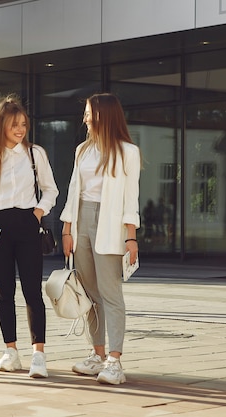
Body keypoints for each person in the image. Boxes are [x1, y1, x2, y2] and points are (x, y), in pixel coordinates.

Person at [0, 94, 58, 378]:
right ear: (2, 126)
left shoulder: (36, 154)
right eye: (14, 125)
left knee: (32, 290)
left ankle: (39, 354)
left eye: (23, 124)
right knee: (3, 292)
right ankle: (11, 351)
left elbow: (51, 190)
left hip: (27, 223)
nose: (20, 129)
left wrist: (37, 212)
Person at [60, 93, 140, 385]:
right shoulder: (82, 150)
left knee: (110, 293)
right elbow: (73, 191)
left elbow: (131, 200)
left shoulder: (127, 152)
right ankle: (97, 355)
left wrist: (131, 238)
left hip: (110, 224)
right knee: (90, 293)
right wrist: (67, 229)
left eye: (89, 114)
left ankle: (115, 361)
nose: (85, 119)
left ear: (104, 116)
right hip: (82, 221)